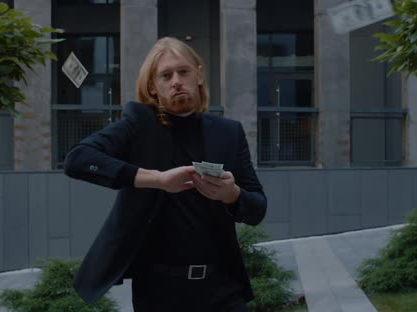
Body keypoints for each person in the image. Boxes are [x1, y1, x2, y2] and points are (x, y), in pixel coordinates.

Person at [64, 37, 267, 312]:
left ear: (199, 74)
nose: (176, 81)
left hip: (223, 287)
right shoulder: (138, 126)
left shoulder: (228, 132)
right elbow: (77, 159)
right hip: (159, 292)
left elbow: (257, 209)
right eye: (166, 75)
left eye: (183, 72)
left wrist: (232, 195)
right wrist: (156, 180)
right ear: (153, 87)